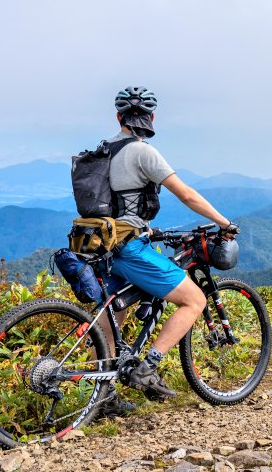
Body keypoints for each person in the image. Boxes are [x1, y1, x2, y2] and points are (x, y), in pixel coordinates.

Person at [97, 86, 239, 417]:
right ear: (152, 118)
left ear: (118, 117)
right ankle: (147, 369)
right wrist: (224, 222)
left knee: (113, 314)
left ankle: (102, 396)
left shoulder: (103, 150)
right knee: (195, 300)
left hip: (100, 244)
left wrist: (145, 227)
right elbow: (186, 194)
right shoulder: (142, 152)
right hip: (129, 248)